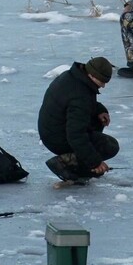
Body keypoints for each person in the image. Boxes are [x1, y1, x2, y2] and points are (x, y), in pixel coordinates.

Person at [37, 56, 120, 185]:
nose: (103, 86)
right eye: (102, 81)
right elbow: (76, 135)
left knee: (97, 121)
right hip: (57, 137)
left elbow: (78, 104)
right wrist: (95, 162)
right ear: (92, 75)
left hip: (51, 130)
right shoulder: (81, 96)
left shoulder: (74, 77)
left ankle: (80, 160)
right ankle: (66, 163)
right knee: (110, 146)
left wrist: (100, 110)